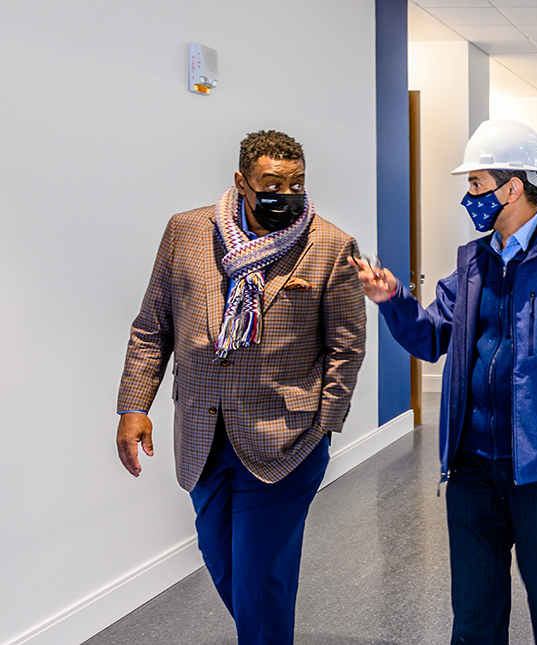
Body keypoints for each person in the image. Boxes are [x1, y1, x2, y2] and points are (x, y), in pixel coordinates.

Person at [351, 120, 537, 645]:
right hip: (471, 472)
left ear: (513, 187)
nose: (470, 196)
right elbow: (435, 336)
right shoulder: (472, 263)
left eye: (478, 184)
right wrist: (393, 301)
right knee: (475, 621)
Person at [115, 130, 367, 644]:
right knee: (221, 556)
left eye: (297, 183)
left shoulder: (329, 245)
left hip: (286, 440)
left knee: (261, 574)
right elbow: (151, 325)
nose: (287, 195)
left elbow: (347, 346)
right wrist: (133, 406)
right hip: (203, 436)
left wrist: (324, 425)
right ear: (242, 182)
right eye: (273, 184)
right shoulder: (185, 232)